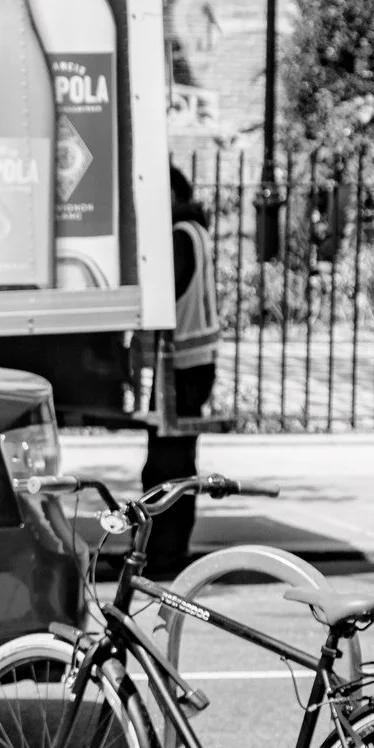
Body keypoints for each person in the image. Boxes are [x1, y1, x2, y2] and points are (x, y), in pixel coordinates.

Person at [141, 163, 220, 576]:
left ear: (170, 196)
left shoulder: (179, 236)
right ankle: (164, 552)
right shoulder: (195, 231)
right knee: (176, 464)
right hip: (194, 363)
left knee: (166, 467)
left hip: (182, 367)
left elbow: (161, 294)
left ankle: (163, 556)